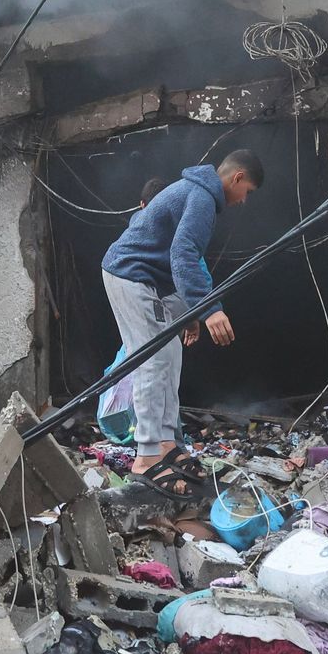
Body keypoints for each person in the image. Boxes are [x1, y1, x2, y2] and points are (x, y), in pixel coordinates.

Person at [101, 151, 261, 474]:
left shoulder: (199, 194)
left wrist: (190, 313)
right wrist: (210, 311)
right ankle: (145, 456)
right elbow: (183, 253)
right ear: (238, 178)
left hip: (149, 282)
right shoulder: (202, 197)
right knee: (153, 359)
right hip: (129, 275)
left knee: (171, 353)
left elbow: (186, 261)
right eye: (249, 192)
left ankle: (166, 443)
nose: (244, 201)